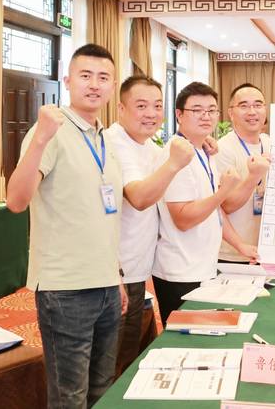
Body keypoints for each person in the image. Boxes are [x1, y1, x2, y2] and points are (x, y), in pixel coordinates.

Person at [6, 44, 126, 408]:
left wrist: (116, 275)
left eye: (103, 77)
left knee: (103, 388)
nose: (94, 84)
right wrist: (41, 138)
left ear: (113, 85)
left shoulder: (104, 138)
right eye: (85, 76)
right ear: (68, 80)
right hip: (65, 289)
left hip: (105, 284)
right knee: (69, 397)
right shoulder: (50, 132)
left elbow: (102, 217)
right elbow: (16, 201)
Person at [152, 82, 260, 325]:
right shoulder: (176, 154)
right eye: (197, 110)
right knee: (184, 340)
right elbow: (183, 218)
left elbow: (214, 211)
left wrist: (240, 245)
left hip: (203, 267)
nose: (206, 116)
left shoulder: (203, 150)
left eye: (211, 110)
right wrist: (224, 192)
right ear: (179, 114)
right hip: (180, 271)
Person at [107, 75, 194, 373]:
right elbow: (140, 197)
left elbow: (170, 156)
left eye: (157, 106)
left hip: (137, 270)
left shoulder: (145, 144)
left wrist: (200, 144)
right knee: (113, 364)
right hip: (116, 273)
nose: (151, 113)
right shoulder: (115, 144)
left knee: (128, 357)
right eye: (141, 105)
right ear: (121, 108)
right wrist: (174, 163)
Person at [215, 83, 272, 262]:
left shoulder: (268, 142)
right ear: (231, 113)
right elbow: (226, 206)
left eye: (258, 105)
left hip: (264, 251)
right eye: (244, 106)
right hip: (232, 254)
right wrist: (254, 176)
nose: (252, 112)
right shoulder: (222, 149)